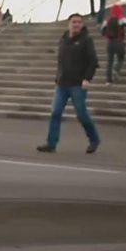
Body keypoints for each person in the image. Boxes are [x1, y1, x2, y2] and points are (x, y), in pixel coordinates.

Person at [38, 13, 100, 154]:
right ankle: (51, 143)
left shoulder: (86, 40)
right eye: (74, 22)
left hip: (78, 84)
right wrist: (58, 77)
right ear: (69, 24)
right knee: (55, 113)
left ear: (82, 24)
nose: (76, 24)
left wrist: (87, 79)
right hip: (62, 84)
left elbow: (93, 61)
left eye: (79, 22)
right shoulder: (64, 39)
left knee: (81, 114)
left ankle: (94, 139)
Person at [101, 3, 126, 84]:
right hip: (119, 41)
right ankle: (116, 69)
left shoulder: (106, 20)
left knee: (110, 61)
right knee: (120, 58)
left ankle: (108, 80)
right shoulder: (121, 19)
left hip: (110, 43)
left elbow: (102, 31)